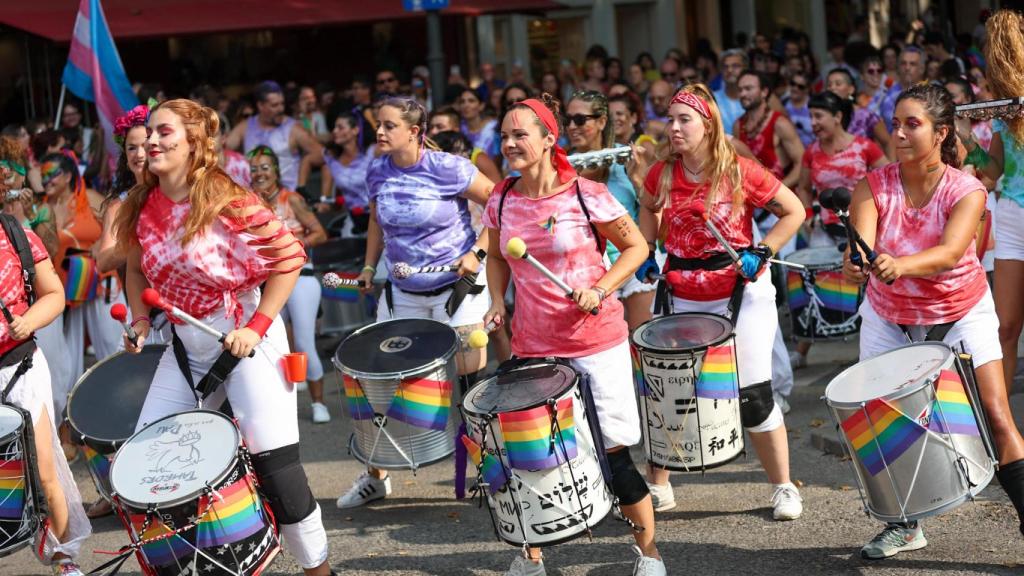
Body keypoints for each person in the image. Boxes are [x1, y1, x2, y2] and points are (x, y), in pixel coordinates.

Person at [116, 98, 332, 575]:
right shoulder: (143, 204)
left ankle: (319, 569)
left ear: (194, 143)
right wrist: (137, 319)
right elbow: (134, 267)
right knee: (149, 470)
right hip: (183, 346)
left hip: (245, 337)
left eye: (164, 133)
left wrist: (255, 328)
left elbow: (289, 258)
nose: (151, 142)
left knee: (277, 472)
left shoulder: (226, 199)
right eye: (148, 133)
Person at [483, 93, 666, 576]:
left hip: (595, 343)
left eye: (520, 134)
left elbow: (636, 246)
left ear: (549, 139)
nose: (510, 143)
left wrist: (601, 287)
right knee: (531, 457)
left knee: (613, 455)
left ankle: (648, 555)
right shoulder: (501, 197)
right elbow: (499, 256)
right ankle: (531, 558)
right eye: (504, 135)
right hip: (534, 346)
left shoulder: (586, 193)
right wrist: (496, 301)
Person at [842, 81, 1024, 559]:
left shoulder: (966, 189)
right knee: (882, 422)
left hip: (959, 311)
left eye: (912, 124)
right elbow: (860, 244)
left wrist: (900, 264)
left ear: (942, 132)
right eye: (896, 123)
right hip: (890, 315)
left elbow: (948, 253)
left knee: (997, 416)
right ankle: (906, 525)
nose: (898, 133)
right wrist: (856, 262)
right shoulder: (872, 185)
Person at [636, 83, 805, 520]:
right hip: (680, 291)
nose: (672, 128)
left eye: (683, 119)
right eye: (669, 119)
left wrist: (762, 250)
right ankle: (659, 485)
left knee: (752, 394)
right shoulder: (661, 174)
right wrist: (646, 254)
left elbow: (795, 211)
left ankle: (783, 487)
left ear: (708, 124)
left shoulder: (740, 170)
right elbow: (648, 211)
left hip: (741, 292)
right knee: (665, 392)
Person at [336, 97, 493, 509]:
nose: (380, 133)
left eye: (389, 126)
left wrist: (477, 252)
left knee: (467, 385)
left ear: (414, 131)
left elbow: (499, 206)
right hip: (402, 292)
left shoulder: (449, 169)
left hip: (457, 291)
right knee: (380, 387)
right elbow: (375, 220)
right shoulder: (378, 170)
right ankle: (376, 476)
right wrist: (370, 267)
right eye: (378, 125)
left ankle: (489, 471)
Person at [0, 139, 91, 576]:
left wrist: (28, 320)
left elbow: (54, 294)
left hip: (19, 365)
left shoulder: (17, 234)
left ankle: (62, 557)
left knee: (42, 467)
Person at [790, 91, 886, 369]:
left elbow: (888, 179)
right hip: (826, 230)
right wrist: (808, 212)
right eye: (810, 116)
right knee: (814, 286)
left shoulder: (865, 147)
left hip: (863, 229)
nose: (813, 122)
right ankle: (802, 350)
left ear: (838, 117)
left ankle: (872, 349)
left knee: (869, 289)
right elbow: (805, 187)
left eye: (818, 116)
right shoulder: (811, 152)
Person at [39, 152, 124, 460]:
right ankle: (75, 429)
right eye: (44, 175)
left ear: (68, 175)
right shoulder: (45, 208)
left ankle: (124, 417)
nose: (48, 181)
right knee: (69, 363)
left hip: (102, 284)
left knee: (114, 349)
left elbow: (120, 224)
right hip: (71, 292)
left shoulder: (88, 196)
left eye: (53, 175)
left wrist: (104, 252)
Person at [248, 145, 330, 423]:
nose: (259, 173)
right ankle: (280, 407)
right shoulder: (249, 203)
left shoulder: (290, 198)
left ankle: (319, 403)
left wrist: (291, 245)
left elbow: (320, 233)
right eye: (254, 169)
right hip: (266, 284)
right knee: (268, 346)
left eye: (264, 167)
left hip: (301, 277)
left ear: (276, 171)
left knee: (304, 342)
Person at [566, 90, 655, 330]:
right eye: (568, 120)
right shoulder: (560, 166)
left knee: (643, 346)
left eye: (580, 119)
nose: (572, 126)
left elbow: (654, 209)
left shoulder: (626, 157)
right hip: (592, 274)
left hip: (634, 265)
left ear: (602, 121)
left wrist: (639, 180)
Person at [977, 10, 1024, 398]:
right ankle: (1003, 425)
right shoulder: (1003, 107)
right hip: (1010, 215)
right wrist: (965, 143)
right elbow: (993, 170)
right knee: (1005, 326)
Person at [224, 80, 324, 191]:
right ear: (261, 106)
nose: (280, 109)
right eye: (274, 105)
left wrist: (304, 173)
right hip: (256, 199)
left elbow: (322, 154)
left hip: (287, 197)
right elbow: (223, 150)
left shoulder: (293, 128)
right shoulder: (245, 127)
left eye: (282, 104)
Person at [301, 111, 377, 236]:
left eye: (340, 127)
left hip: (378, 218)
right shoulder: (332, 157)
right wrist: (301, 188)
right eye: (334, 127)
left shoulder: (372, 152)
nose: (335, 131)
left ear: (355, 130)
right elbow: (307, 160)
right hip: (354, 220)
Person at [735, 70, 805, 189]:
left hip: (780, 202)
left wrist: (777, 192)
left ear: (764, 92)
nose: (743, 94)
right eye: (740, 90)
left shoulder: (779, 123)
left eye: (748, 89)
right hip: (752, 200)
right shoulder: (738, 125)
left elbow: (802, 163)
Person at [826, 68, 890, 153]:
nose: (832, 88)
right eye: (829, 85)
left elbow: (888, 143)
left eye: (838, 84)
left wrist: (891, 165)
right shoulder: (826, 117)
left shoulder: (866, 116)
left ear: (851, 89)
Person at [454, 87, 499, 158]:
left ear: (481, 106)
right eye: (462, 102)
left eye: (471, 101)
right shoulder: (458, 128)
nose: (466, 105)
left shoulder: (493, 127)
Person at [783, 72, 814, 146]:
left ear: (807, 89)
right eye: (793, 84)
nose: (795, 88)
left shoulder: (814, 107)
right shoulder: (782, 104)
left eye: (800, 86)